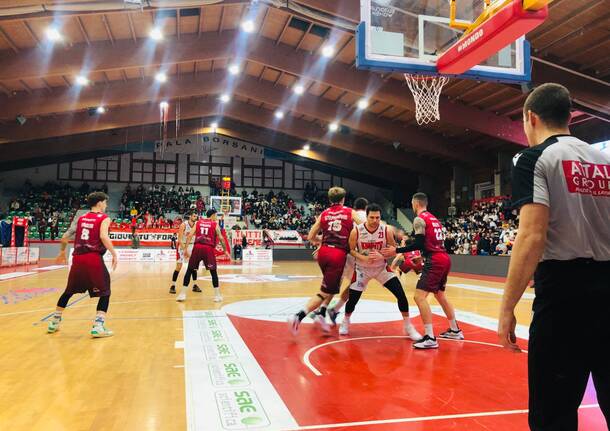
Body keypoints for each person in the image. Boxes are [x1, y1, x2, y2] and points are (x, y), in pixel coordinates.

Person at [498, 83, 610, 431]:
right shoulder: (605, 161)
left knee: (553, 413)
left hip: (564, 297)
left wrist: (507, 308)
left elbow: (532, 235)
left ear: (530, 118)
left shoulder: (533, 159)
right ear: (570, 116)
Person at [381, 193, 463, 349]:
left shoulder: (419, 219)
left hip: (435, 260)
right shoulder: (434, 219)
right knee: (440, 295)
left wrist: (396, 250)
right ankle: (455, 329)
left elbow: (418, 244)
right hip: (444, 257)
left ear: (415, 203)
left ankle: (430, 337)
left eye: (412, 204)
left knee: (419, 297)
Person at [337, 204, 421, 340]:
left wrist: (383, 256)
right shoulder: (356, 231)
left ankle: (408, 326)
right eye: (372, 217)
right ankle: (346, 320)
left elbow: (393, 248)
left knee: (401, 294)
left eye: (378, 217)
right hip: (362, 269)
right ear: (366, 216)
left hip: (381, 268)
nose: (375, 220)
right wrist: (363, 257)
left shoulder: (386, 230)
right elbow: (351, 250)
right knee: (353, 299)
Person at [287, 187, 363, 335]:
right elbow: (363, 227)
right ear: (343, 199)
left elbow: (310, 237)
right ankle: (298, 316)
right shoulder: (349, 212)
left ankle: (321, 314)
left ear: (329, 200)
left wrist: (322, 240)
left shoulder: (324, 213)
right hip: (337, 255)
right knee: (323, 292)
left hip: (323, 253)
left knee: (332, 286)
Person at [47, 192, 118, 337]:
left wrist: (62, 252)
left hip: (78, 259)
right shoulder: (104, 218)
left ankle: (54, 322)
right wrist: (114, 253)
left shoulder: (81, 218)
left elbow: (65, 236)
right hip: (93, 258)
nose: (106, 205)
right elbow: (103, 236)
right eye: (105, 203)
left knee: (68, 291)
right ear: (99, 203)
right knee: (105, 292)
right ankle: (98, 326)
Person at [180, 209, 230, 303]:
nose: (216, 217)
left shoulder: (198, 222)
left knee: (189, 270)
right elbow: (221, 238)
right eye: (216, 215)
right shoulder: (214, 224)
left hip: (197, 247)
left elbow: (190, 235)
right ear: (213, 215)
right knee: (213, 272)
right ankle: (217, 295)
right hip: (208, 249)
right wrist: (225, 250)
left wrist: (185, 249)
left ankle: (182, 294)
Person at [169, 212, 200, 295]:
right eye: (194, 216)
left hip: (192, 246)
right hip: (182, 246)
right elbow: (179, 239)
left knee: (193, 267)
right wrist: (185, 250)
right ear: (190, 216)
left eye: (196, 216)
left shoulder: (197, 225)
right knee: (179, 267)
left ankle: (195, 285)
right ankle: (173, 286)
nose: (195, 217)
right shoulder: (184, 225)